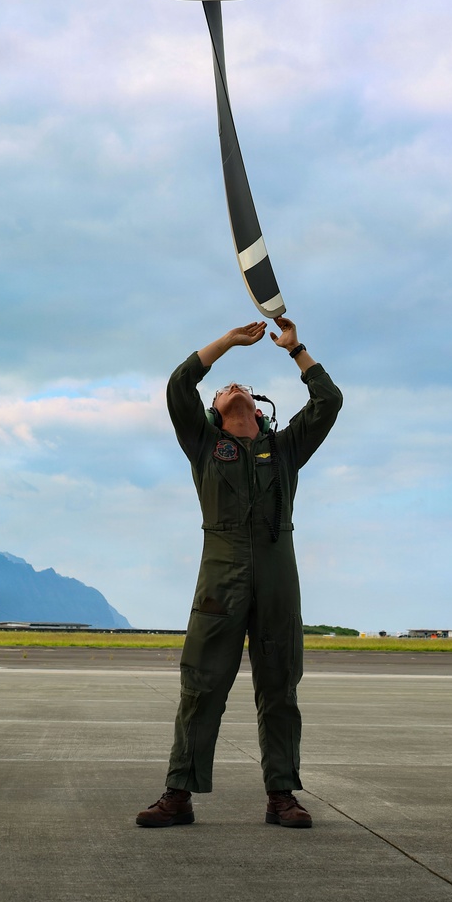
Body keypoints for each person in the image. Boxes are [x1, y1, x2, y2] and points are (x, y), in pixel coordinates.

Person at [137, 315, 342, 830]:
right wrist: (227, 344)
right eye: (226, 388)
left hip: (277, 582)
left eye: (243, 387)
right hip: (219, 581)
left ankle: (282, 796)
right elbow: (179, 385)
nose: (233, 388)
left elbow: (329, 403)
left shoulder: (286, 449)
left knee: (280, 689)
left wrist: (296, 350)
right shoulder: (204, 446)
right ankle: (178, 794)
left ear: (257, 409)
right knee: (201, 686)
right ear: (214, 414)